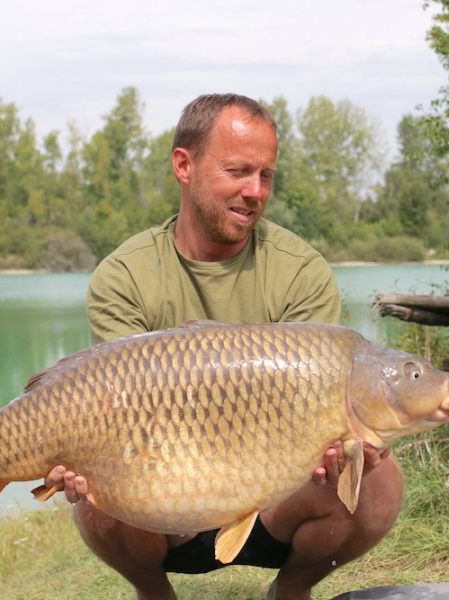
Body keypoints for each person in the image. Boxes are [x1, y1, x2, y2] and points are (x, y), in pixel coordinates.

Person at [44, 93, 403, 600]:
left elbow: (331, 403)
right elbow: (113, 412)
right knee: (95, 493)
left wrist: (343, 448)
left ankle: (292, 589)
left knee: (381, 481)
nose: (254, 191)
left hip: (279, 497)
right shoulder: (124, 277)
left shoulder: (301, 271)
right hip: (164, 506)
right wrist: (78, 456)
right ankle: (153, 591)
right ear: (184, 166)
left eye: (266, 175)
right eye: (237, 171)